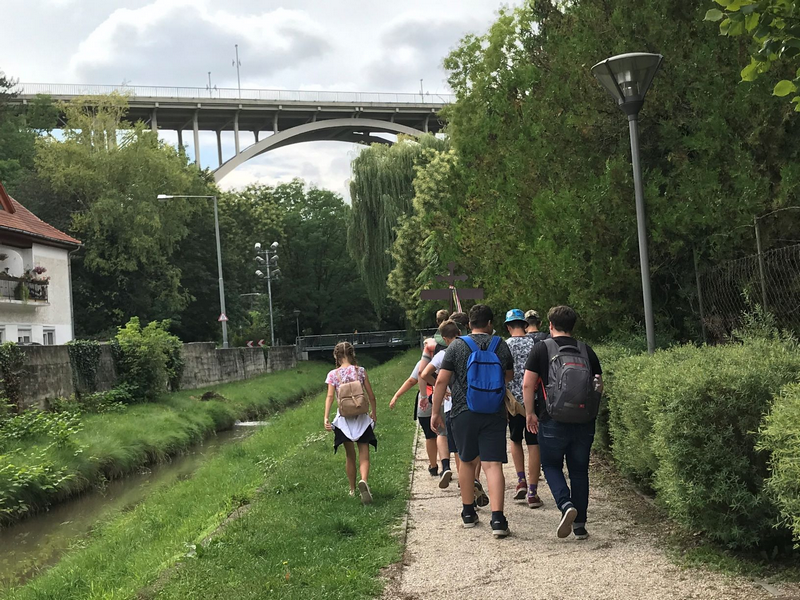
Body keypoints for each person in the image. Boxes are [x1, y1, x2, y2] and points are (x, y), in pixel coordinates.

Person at [432, 304, 514, 537]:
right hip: (494, 411)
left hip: (462, 410)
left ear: (469, 324)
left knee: (467, 461)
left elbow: (441, 381)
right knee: (493, 464)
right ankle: (498, 520)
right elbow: (508, 376)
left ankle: (468, 513)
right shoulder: (500, 345)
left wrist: (436, 412)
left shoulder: (457, 346)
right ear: (490, 324)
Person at [523, 306, 603, 540]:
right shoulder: (586, 350)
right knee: (579, 470)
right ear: (573, 326)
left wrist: (530, 413)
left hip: (552, 419)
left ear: (550, 325)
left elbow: (528, 384)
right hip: (584, 420)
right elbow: (598, 384)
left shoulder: (542, 348)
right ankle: (580, 525)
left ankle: (565, 504)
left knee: (550, 465)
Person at [324, 341, 378, 504]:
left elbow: (330, 397)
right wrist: (374, 412)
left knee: (350, 455)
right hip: (361, 417)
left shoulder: (333, 374)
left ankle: (352, 489)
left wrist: (326, 417)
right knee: (364, 453)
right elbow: (371, 395)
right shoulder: (360, 371)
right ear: (352, 353)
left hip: (344, 420)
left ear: (336, 356)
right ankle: (364, 481)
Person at [503, 309, 543, 508]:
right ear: (525, 326)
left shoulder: (504, 346)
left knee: (515, 439)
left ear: (508, 327)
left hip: (513, 404)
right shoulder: (536, 344)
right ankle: (533, 492)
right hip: (534, 402)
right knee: (534, 444)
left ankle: (521, 481)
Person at [419, 320, 461, 489]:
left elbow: (423, 373)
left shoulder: (442, 354)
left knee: (443, 435)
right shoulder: (468, 349)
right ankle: (467, 479)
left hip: (449, 402)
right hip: (469, 401)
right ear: (459, 333)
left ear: (444, 338)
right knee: (463, 446)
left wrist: (439, 386)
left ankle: (446, 466)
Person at [389, 360, 440, 477]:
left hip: (425, 400)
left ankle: (433, 466)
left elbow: (412, 381)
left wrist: (396, 395)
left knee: (430, 436)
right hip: (443, 398)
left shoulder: (423, 363)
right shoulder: (444, 359)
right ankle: (446, 465)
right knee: (443, 436)